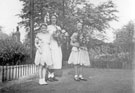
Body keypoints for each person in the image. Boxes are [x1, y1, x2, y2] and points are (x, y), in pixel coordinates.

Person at [47, 14, 62, 82]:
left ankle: (52, 76)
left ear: (56, 19)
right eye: (52, 18)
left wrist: (60, 38)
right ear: (50, 19)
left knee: (55, 60)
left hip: (57, 45)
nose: (53, 19)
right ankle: (49, 76)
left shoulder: (58, 28)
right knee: (51, 60)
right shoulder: (48, 27)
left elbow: (61, 37)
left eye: (55, 18)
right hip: (51, 44)